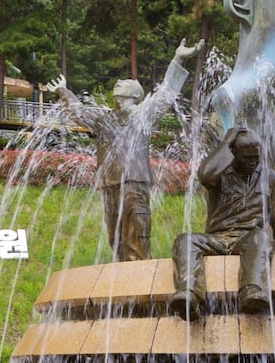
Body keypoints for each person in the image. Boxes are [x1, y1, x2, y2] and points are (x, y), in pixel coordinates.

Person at [44, 38, 204, 262]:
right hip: (110, 186)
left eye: (126, 82)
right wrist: (63, 91)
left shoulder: (142, 115)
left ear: (136, 95)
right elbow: (79, 112)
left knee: (137, 241)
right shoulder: (104, 119)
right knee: (116, 241)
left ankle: (141, 289)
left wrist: (177, 59)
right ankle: (121, 290)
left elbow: (165, 93)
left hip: (134, 185)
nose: (118, 81)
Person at [169, 127, 275, 321]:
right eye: (247, 158)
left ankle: (251, 291)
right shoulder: (220, 174)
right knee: (184, 240)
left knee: (262, 237)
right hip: (216, 238)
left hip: (248, 238)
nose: (253, 162)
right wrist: (226, 142)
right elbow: (205, 175)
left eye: (256, 157)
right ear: (234, 154)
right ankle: (189, 295)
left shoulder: (270, 177)